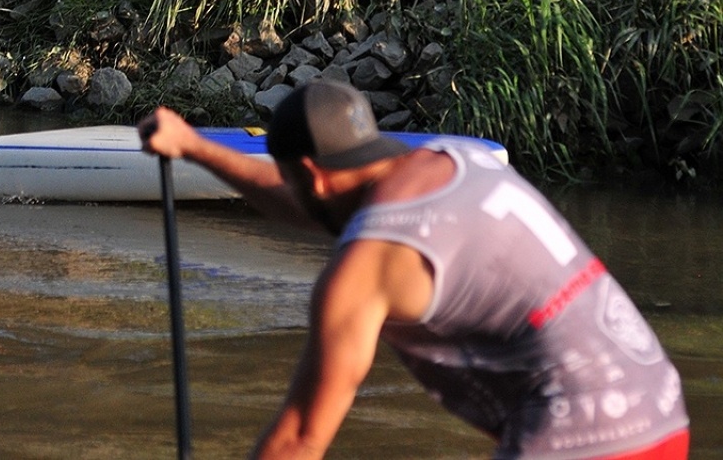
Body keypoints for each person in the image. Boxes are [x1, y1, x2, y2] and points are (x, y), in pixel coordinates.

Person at [139, 79, 690, 460]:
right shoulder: (452, 160)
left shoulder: (362, 271)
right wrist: (195, 147)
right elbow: (310, 201)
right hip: (661, 409)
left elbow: (301, 439)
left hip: (581, 439)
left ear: (311, 174)